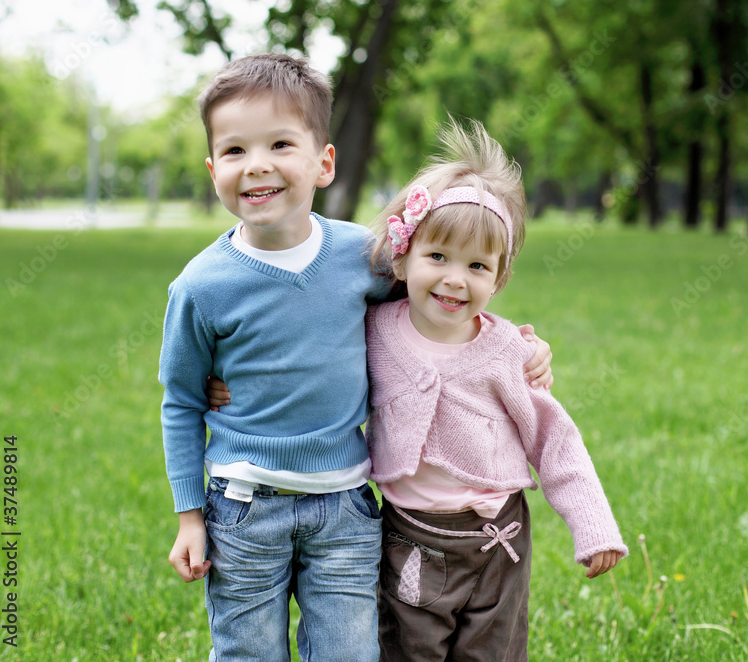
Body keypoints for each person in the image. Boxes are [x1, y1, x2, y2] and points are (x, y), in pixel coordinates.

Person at [159, 54, 552, 662]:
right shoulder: (201, 287)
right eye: (235, 151)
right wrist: (189, 516)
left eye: (281, 145)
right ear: (213, 169)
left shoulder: (359, 258)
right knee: (249, 654)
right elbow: (181, 401)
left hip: (345, 507)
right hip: (243, 508)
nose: (257, 165)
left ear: (324, 163)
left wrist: (522, 347)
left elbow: (440, 303)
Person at [365, 117, 627, 662]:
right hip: (409, 537)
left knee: (493, 652)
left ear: (499, 276)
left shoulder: (509, 353)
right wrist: (227, 382)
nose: (455, 279)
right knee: (407, 649)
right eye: (437, 257)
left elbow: (554, 440)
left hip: (496, 541)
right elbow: (308, 362)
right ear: (404, 256)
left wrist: (593, 525)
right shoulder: (374, 332)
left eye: (477, 266)